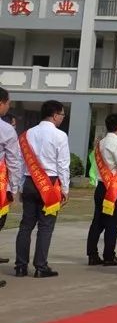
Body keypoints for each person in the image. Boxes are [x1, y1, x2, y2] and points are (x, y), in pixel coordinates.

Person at [14, 100, 68, 278]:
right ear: (54, 115)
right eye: (61, 115)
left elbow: (22, 163)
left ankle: (20, 266)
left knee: (26, 225)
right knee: (45, 227)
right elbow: (63, 165)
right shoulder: (60, 136)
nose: (62, 118)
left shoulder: (27, 134)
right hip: (49, 184)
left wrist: (21, 186)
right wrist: (65, 189)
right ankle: (40, 267)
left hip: (30, 181)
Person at [86, 114, 117, 267]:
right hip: (113, 188)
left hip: (101, 186)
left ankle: (92, 254)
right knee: (113, 222)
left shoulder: (101, 143)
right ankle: (109, 256)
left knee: (98, 221)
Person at [0, 88, 22, 277]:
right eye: (8, 103)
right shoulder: (6, 129)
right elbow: (14, 161)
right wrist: (13, 188)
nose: (9, 106)